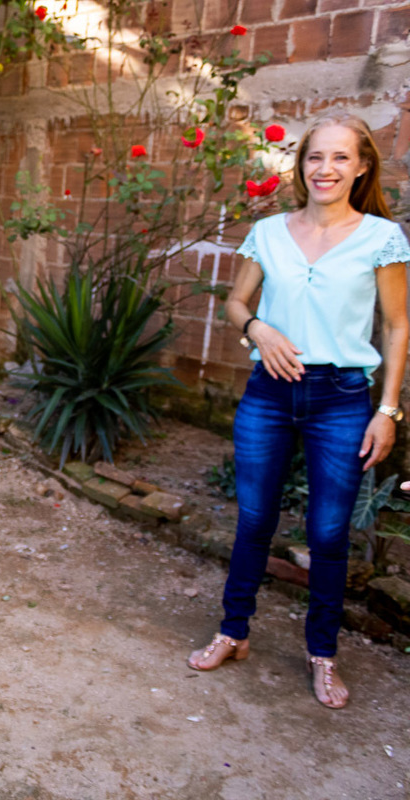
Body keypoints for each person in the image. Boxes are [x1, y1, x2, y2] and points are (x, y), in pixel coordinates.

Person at [187, 111, 410, 710]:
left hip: (341, 400)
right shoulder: (268, 231)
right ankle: (233, 633)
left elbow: (396, 326)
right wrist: (259, 329)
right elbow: (235, 303)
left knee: (329, 532)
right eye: (316, 157)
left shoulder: (382, 239)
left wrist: (387, 410)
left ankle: (322, 656)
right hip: (268, 394)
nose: (326, 168)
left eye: (341, 158)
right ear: (301, 165)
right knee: (254, 520)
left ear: (362, 167)